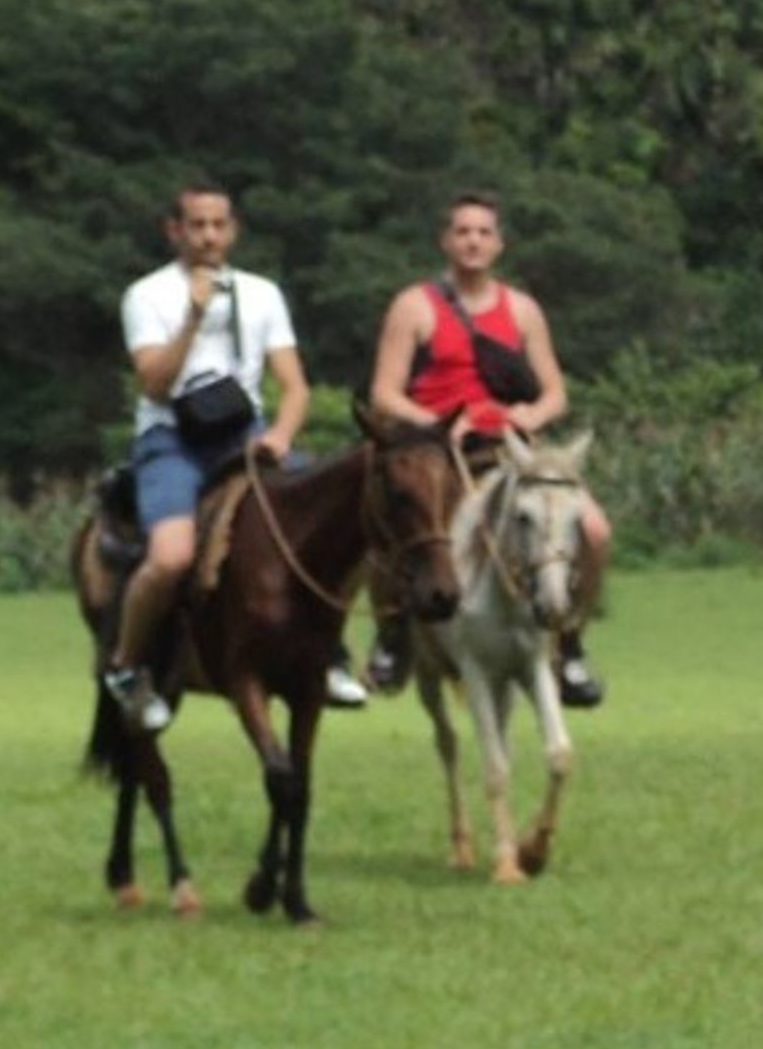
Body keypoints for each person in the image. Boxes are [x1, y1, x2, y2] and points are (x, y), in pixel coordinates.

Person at [100, 180, 353, 735]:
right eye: (197, 225)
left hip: (247, 437)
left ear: (233, 230)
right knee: (169, 558)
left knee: (334, 520)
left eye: (219, 225)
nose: (209, 236)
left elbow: (295, 385)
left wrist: (281, 436)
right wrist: (193, 319)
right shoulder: (147, 296)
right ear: (175, 230)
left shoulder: (262, 294)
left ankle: (331, 656)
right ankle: (126, 668)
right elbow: (153, 385)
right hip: (172, 440)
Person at [364, 191, 610, 705]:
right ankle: (392, 635)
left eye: (483, 232)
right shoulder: (414, 306)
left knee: (593, 529)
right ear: (445, 240)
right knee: (402, 522)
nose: (472, 241)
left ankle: (569, 642)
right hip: (437, 446)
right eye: (462, 232)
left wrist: (531, 416)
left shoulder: (521, 309)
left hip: (510, 448)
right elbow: (384, 394)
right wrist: (433, 425)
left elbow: (555, 393)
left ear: (498, 244)